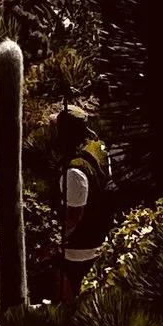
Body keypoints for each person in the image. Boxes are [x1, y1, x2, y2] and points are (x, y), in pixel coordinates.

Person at [54, 108, 115, 302]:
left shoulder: (74, 171)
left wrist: (53, 243)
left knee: (70, 301)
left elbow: (73, 217)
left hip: (78, 249)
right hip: (102, 239)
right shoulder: (98, 150)